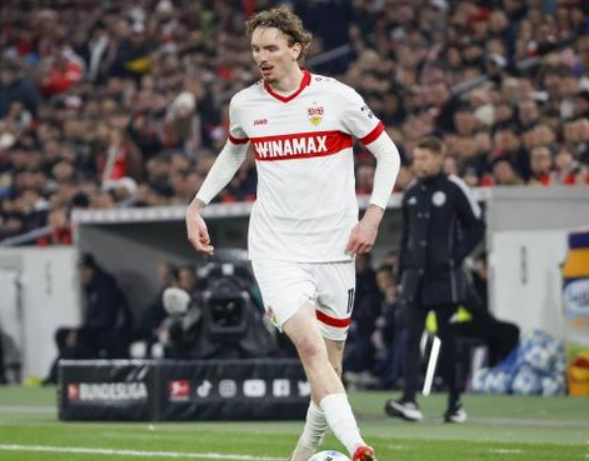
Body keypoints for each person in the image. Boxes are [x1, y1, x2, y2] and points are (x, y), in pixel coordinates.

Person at [185, 8, 400, 461]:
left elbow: (388, 153)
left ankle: (304, 451)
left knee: (330, 366)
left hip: (335, 248)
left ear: (296, 48)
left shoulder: (337, 97)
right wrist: (197, 204)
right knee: (308, 345)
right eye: (255, 49)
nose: (261, 57)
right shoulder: (245, 104)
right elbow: (233, 152)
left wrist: (372, 217)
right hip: (276, 248)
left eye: (271, 48)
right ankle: (358, 446)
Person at [384, 136, 484, 424]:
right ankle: (409, 400)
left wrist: (456, 257)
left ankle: (455, 404)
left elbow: (477, 226)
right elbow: (406, 237)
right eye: (416, 158)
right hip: (414, 279)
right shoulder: (411, 192)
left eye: (424, 158)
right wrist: (400, 274)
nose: (419, 164)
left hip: (445, 280)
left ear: (440, 159)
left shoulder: (455, 188)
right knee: (410, 337)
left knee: (447, 341)